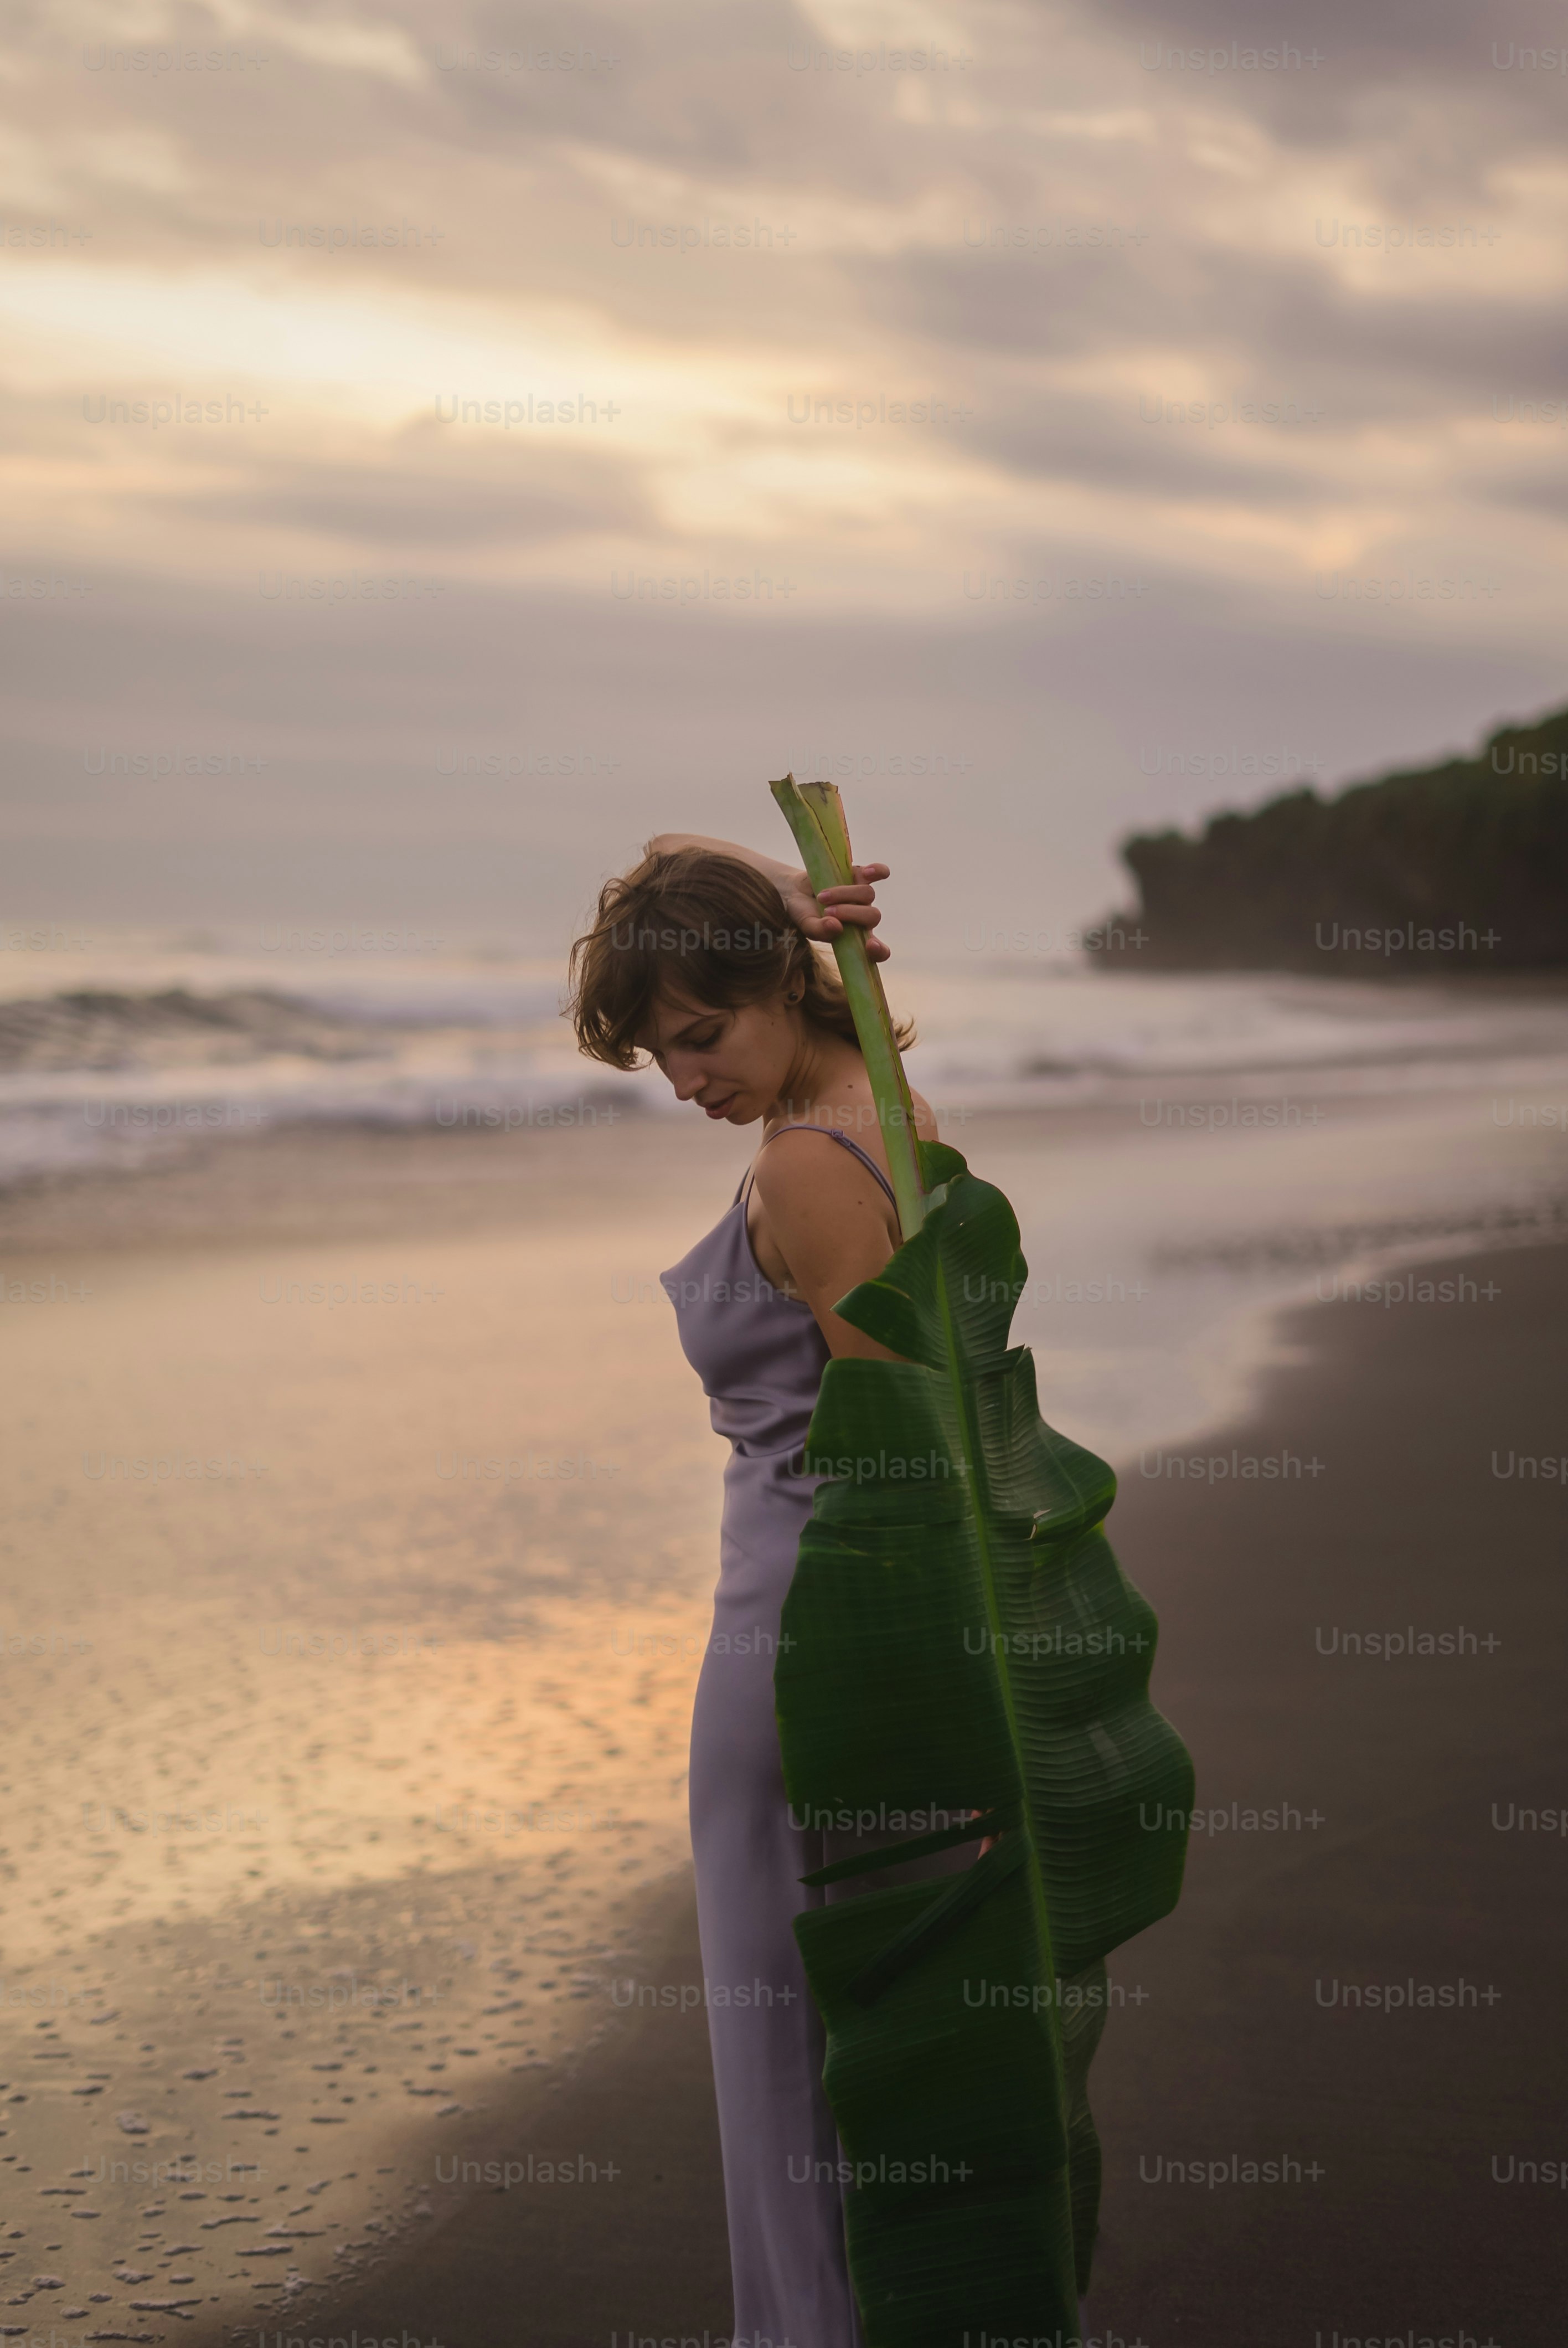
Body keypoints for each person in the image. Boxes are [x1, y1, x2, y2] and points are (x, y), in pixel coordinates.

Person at [569, 830, 948, 2345]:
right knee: (840, 2047)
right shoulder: (884, 1105)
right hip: (824, 1642)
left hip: (806, 1650)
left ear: (780, 988)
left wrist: (905, 1695)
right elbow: (666, 857)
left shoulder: (807, 1163)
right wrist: (789, 909)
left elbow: (898, 1465)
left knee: (783, 2062)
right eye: (660, 1056)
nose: (685, 1082)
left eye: (704, 1035)